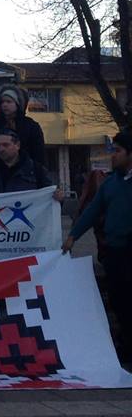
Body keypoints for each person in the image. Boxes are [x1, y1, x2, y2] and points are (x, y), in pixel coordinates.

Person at [63, 131, 132, 360]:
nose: (113, 156)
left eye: (118, 151)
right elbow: (93, 210)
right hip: (114, 252)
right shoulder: (112, 182)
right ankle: (125, 346)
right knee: (118, 300)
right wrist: (73, 235)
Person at [0, 129, 62, 199]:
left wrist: (58, 198)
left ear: (17, 145)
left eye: (5, 145)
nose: (1, 149)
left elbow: (50, 197)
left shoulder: (36, 170)